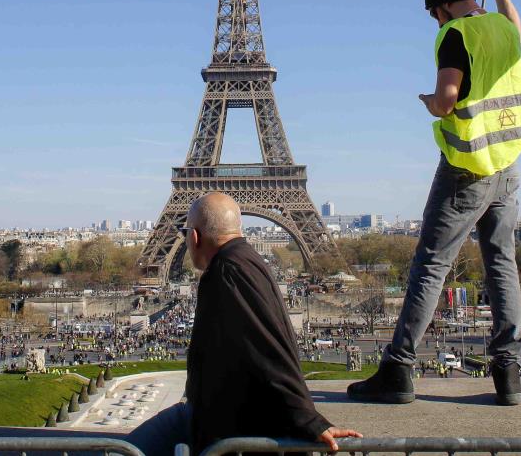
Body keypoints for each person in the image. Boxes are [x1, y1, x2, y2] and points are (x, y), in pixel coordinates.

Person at [348, 0, 521, 406]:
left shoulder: (455, 35)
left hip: (465, 169)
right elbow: (515, 25)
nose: (436, 22)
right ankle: (508, 371)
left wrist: (431, 102)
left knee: (431, 265)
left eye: (434, 14)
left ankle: (399, 367)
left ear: (443, 5)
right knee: (502, 264)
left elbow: (448, 100)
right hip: (508, 166)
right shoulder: (501, 28)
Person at [129, 193, 361, 455]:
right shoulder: (245, 260)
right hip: (220, 415)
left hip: (221, 419)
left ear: (194, 236)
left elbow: (266, 345)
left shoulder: (228, 270)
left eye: (185, 232)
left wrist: (308, 419)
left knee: (118, 451)